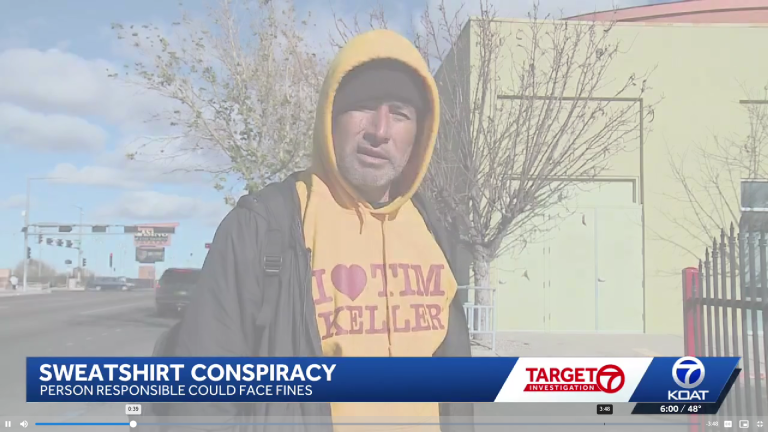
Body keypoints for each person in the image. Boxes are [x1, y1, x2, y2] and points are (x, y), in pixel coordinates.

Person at [160, 29, 473, 432]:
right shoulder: (263, 227)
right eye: (362, 106)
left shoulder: (435, 232)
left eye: (399, 113)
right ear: (330, 117)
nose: (380, 130)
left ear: (421, 133)